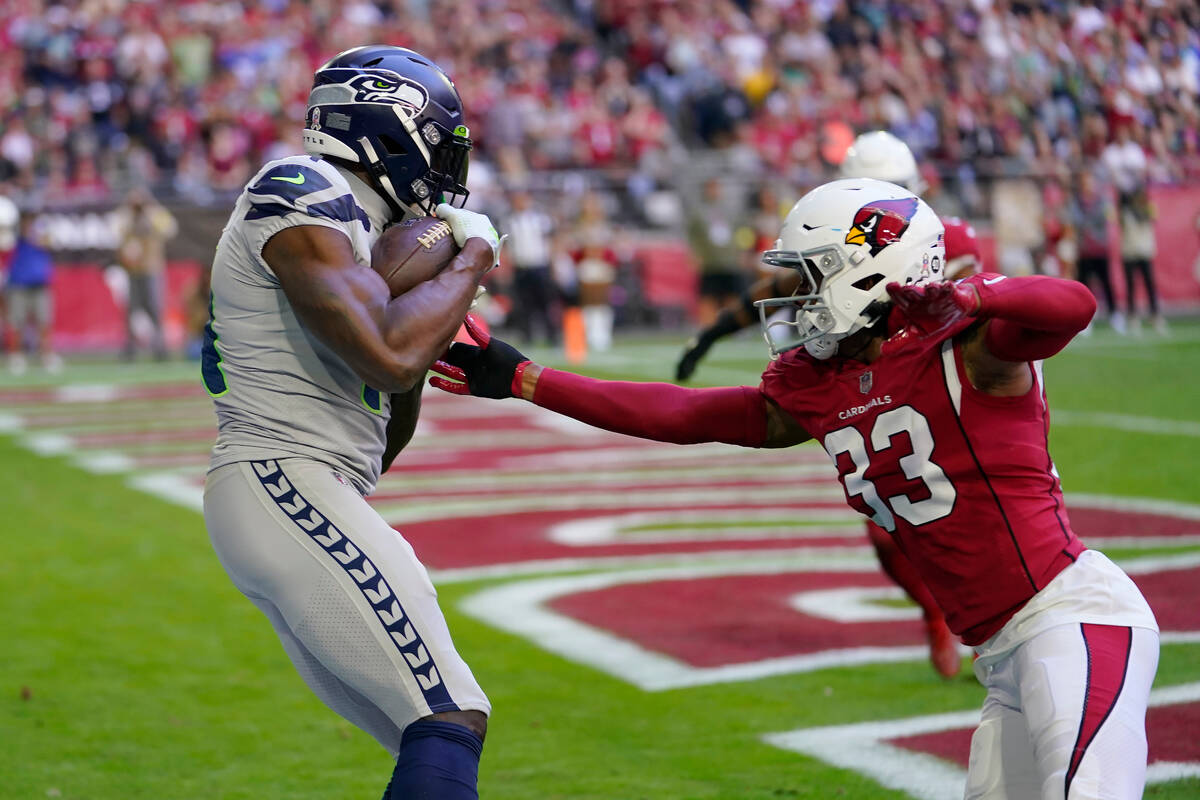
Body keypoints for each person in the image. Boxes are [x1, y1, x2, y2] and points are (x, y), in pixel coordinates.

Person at [433, 178, 1160, 799]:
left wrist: (973, 297)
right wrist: (529, 379)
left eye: (812, 275)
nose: (795, 296)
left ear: (871, 268)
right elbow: (684, 414)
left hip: (1072, 618)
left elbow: (1071, 304)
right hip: (1002, 652)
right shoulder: (821, 384)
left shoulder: (971, 349)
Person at [200, 45, 502, 800]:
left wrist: (434, 306)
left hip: (300, 484)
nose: (445, 164)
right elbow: (388, 356)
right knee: (448, 717)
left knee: (428, 730)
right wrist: (470, 261)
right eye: (438, 139)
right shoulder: (304, 186)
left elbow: (387, 421)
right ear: (395, 129)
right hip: (281, 472)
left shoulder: (359, 220)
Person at [674, 130, 981, 678]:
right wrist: (713, 334)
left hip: (946, 392)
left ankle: (983, 618)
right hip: (870, 395)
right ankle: (937, 616)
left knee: (972, 513)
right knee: (886, 522)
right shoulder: (849, 233)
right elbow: (788, 283)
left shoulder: (948, 240)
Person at [114, 187, 178, 360]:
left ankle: (159, 347)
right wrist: (130, 211)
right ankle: (131, 347)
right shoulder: (126, 217)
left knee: (155, 308)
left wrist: (150, 210)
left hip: (152, 269)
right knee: (131, 310)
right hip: (132, 270)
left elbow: (170, 229)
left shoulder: (154, 214)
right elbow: (116, 231)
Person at [4, 211, 61, 373]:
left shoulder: (41, 232)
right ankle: (16, 356)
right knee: (17, 322)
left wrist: (36, 235)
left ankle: (46, 355)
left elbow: (50, 243)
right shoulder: (13, 234)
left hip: (40, 284)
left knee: (45, 321)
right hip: (18, 284)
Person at [1117, 187, 1167, 335]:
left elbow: (1154, 217)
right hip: (1130, 253)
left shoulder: (1148, 211)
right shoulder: (1126, 213)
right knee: (1131, 286)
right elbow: (1121, 220)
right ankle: (1132, 315)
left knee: (1150, 285)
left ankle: (1155, 315)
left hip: (1145, 252)